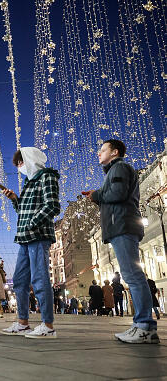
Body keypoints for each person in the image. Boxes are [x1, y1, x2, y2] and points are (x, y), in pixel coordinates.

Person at [83, 139, 159, 343]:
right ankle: (142, 326)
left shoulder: (120, 168)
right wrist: (97, 196)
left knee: (134, 276)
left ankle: (145, 326)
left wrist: (97, 194)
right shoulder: (114, 171)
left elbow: (117, 193)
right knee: (132, 275)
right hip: (121, 225)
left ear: (115, 152)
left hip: (123, 225)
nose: (99, 153)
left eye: (103, 150)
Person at [1, 147, 60, 339]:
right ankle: (23, 323)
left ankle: (48, 325)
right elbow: (23, 211)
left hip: (38, 235)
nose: (19, 167)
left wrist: (33, 224)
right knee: (19, 280)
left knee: (40, 279)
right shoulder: (29, 182)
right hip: (25, 237)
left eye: (21, 162)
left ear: (30, 159)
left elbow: (52, 205)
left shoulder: (47, 177)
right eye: (17, 164)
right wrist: (15, 199)